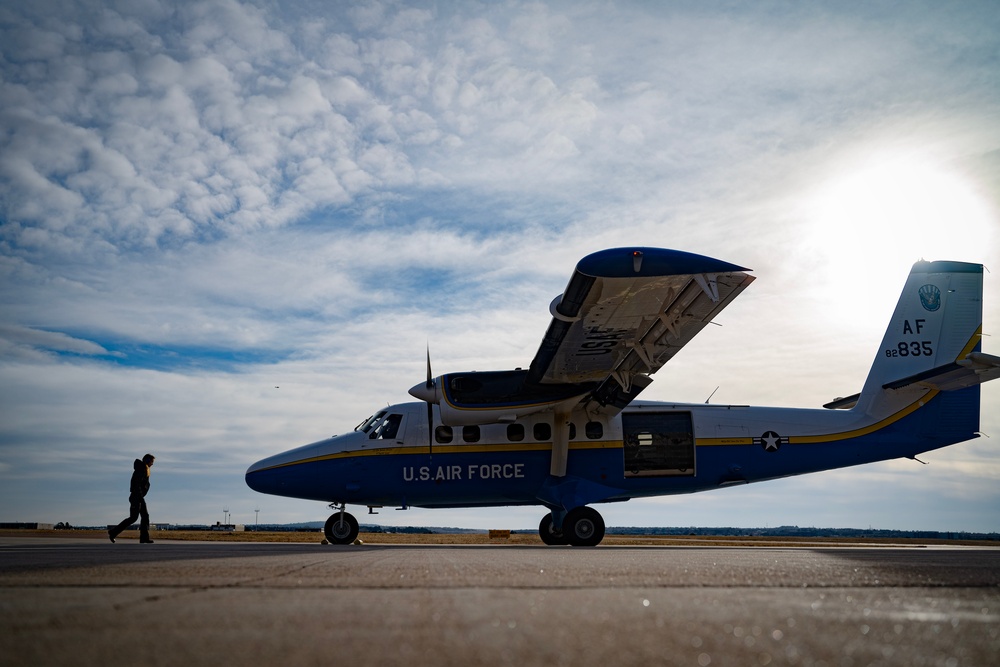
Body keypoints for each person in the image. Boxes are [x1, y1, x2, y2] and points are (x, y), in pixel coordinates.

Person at [108, 454, 156, 544]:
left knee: (145, 516)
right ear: (147, 460)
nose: (152, 464)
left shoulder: (144, 469)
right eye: (151, 462)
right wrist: (139, 494)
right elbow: (136, 483)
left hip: (139, 496)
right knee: (133, 518)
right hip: (136, 496)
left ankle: (144, 538)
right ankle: (113, 532)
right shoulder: (141, 469)